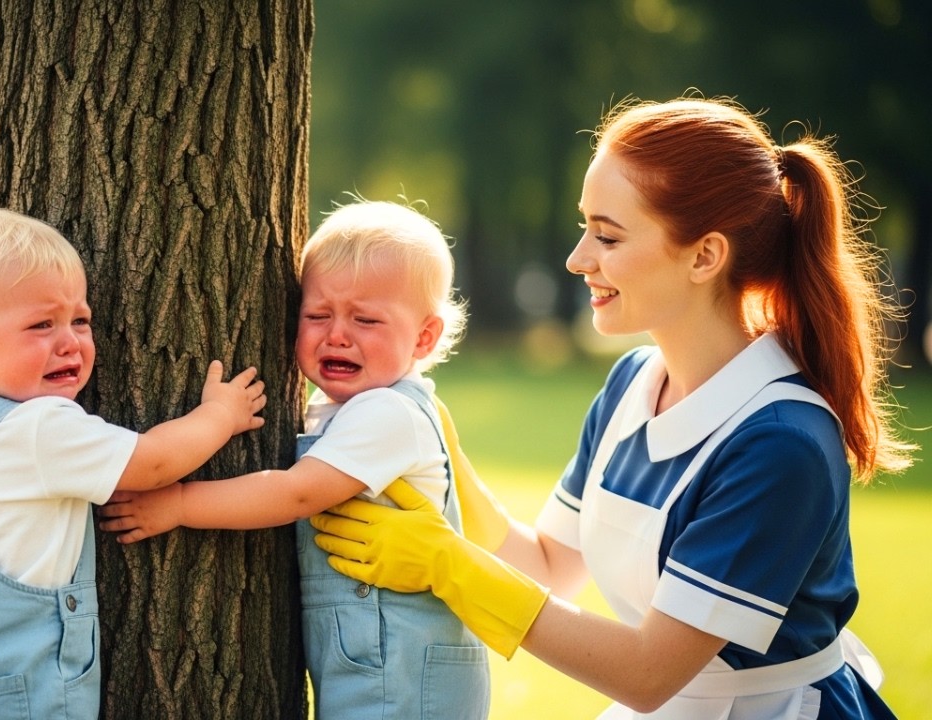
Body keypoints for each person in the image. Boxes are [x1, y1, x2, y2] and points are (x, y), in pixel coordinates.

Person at [311, 97, 912, 719]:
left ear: (705, 256)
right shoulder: (632, 382)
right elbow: (549, 566)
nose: (578, 259)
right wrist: (442, 452)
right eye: (584, 228)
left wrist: (447, 564)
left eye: (608, 236)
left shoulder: (782, 442)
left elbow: (648, 673)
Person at [100, 199, 492, 719]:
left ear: (424, 337)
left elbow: (296, 491)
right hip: (372, 655)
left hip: (403, 667)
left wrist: (178, 503)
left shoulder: (389, 413)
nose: (337, 335)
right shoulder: (340, 409)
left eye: (366, 319)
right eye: (317, 315)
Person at [0, 208, 267, 719]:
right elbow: (152, 464)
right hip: (15, 697)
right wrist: (220, 415)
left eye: (80, 320)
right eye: (41, 325)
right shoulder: (38, 425)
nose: (70, 342)